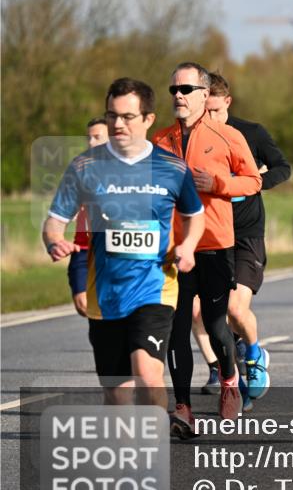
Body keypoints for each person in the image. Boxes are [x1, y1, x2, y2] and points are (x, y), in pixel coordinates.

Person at [43, 78, 204, 408]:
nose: (117, 123)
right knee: (116, 392)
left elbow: (195, 215)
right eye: (112, 115)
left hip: (155, 287)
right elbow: (54, 221)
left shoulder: (171, 168)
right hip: (105, 294)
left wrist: (188, 246)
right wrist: (54, 241)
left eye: (127, 117)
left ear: (147, 119)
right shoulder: (85, 167)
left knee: (147, 373)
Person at [152, 62, 262, 435]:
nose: (178, 97)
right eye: (173, 91)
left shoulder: (227, 135)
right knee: (177, 328)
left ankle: (229, 379)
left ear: (204, 94)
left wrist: (217, 182)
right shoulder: (160, 141)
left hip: (215, 244)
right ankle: (182, 409)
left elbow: (252, 181)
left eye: (185, 90)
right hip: (174, 250)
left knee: (216, 325)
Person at [202, 71, 292, 405]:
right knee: (214, 317)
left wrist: (255, 182)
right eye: (204, 112)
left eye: (215, 111)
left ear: (227, 102)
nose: (210, 118)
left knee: (236, 310)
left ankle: (255, 356)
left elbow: (283, 167)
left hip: (247, 235)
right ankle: (238, 366)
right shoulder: (196, 139)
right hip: (211, 235)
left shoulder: (251, 133)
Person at [65, 118, 109, 317]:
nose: (91, 143)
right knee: (83, 305)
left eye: (97, 137)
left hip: (113, 247)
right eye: (88, 138)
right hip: (83, 248)